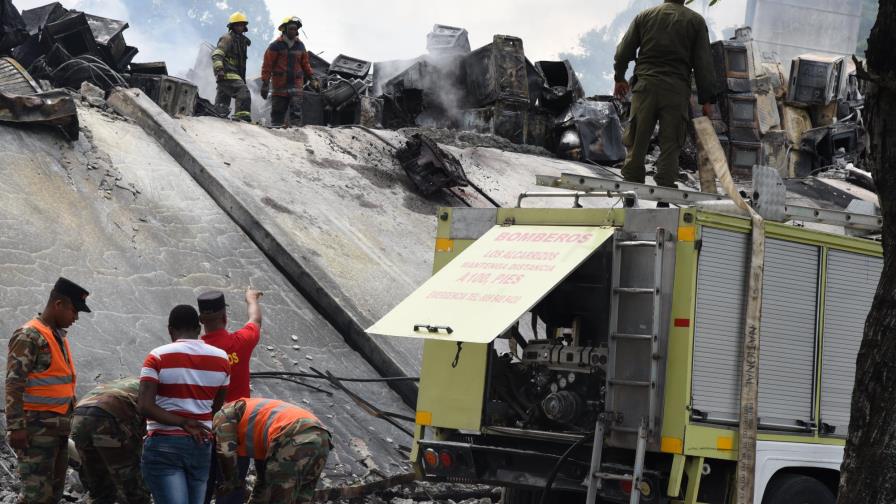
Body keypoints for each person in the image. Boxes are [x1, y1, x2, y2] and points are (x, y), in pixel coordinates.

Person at [613, 0, 717, 193]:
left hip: (645, 87)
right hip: (676, 92)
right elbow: (704, 64)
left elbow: (623, 51)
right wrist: (707, 100)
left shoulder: (644, 16)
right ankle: (665, 188)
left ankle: (631, 182)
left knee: (637, 137)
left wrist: (619, 77)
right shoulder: (696, 21)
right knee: (671, 142)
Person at [5, 277, 89, 504]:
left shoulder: (56, 336)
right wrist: (16, 427)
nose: (76, 318)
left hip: (57, 431)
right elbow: (14, 383)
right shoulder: (29, 335)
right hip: (36, 432)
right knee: (37, 496)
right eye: (74, 310)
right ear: (58, 304)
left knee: (51, 494)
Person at [138, 305, 231, 504]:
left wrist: (181, 422)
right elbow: (216, 408)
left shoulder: (157, 356)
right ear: (198, 329)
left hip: (164, 444)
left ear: (170, 329)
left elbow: (145, 406)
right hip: (201, 445)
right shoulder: (222, 359)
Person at [198, 288, 263, 504]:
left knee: (202, 484)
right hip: (238, 429)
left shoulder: (195, 352)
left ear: (201, 320)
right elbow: (255, 319)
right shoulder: (241, 341)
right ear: (225, 317)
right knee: (232, 485)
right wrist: (251, 299)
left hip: (205, 429)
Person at [213, 398, 332, 504]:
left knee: (278, 497)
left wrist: (231, 482)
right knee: (302, 496)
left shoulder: (224, 414)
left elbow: (225, 451)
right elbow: (263, 479)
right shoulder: (255, 418)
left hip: (294, 436)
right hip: (322, 437)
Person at [70, 377, 151, 504]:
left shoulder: (131, 381)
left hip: (79, 416)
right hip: (108, 416)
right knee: (129, 481)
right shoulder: (156, 388)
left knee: (98, 483)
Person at [260, 16, 321, 127]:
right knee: (277, 115)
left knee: (296, 113)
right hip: (279, 86)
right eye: (291, 28)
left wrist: (312, 79)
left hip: (296, 86)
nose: (294, 31)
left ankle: (296, 135)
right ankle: (276, 133)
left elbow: (306, 64)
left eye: (295, 29)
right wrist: (265, 84)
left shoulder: (300, 46)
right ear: (284, 29)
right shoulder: (275, 46)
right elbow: (267, 66)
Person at [213, 11, 252, 122]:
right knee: (243, 92)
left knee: (221, 107)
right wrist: (219, 70)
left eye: (242, 25)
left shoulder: (242, 41)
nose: (240, 27)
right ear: (232, 26)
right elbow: (217, 54)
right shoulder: (227, 38)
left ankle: (218, 119)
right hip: (226, 73)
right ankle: (241, 117)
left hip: (234, 75)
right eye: (237, 25)